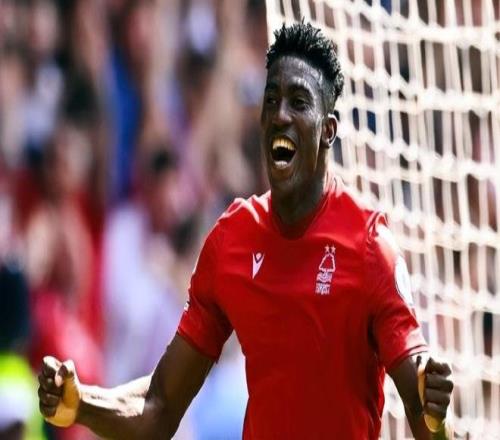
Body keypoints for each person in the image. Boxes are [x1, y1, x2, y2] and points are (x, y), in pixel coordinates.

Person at [37, 22, 454, 439]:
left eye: (298, 102)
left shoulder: (369, 246)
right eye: (271, 100)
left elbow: (422, 408)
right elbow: (159, 407)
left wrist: (435, 416)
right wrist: (81, 404)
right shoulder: (232, 239)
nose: (280, 115)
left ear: (327, 131)